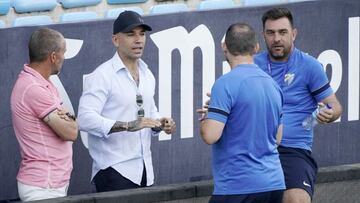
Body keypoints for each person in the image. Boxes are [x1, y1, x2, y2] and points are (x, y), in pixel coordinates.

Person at [77, 11, 176, 192]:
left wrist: (160, 123)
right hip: (113, 170)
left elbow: (150, 111)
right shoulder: (102, 75)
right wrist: (127, 125)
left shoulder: (147, 73)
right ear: (116, 40)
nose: (138, 40)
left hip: (145, 170)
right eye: (131, 34)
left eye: (142, 34)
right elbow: (84, 119)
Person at [254, 7, 342, 203]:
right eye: (271, 33)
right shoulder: (253, 65)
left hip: (293, 151)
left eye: (282, 32)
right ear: (263, 36)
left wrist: (329, 114)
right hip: (255, 150)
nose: (276, 38)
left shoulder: (309, 66)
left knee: (297, 199)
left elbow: (334, 106)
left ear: (293, 34)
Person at [198, 22, 285, 203]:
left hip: (237, 187)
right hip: (274, 184)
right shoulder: (273, 85)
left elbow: (210, 135)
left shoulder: (224, 84)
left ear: (224, 47)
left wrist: (207, 119)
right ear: (256, 47)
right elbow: (277, 138)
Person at [10, 28, 78, 201]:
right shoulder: (34, 88)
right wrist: (70, 119)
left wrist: (69, 119)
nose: (64, 58)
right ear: (53, 57)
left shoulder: (41, 83)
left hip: (51, 184)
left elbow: (69, 123)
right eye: (63, 53)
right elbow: (70, 132)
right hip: (43, 187)